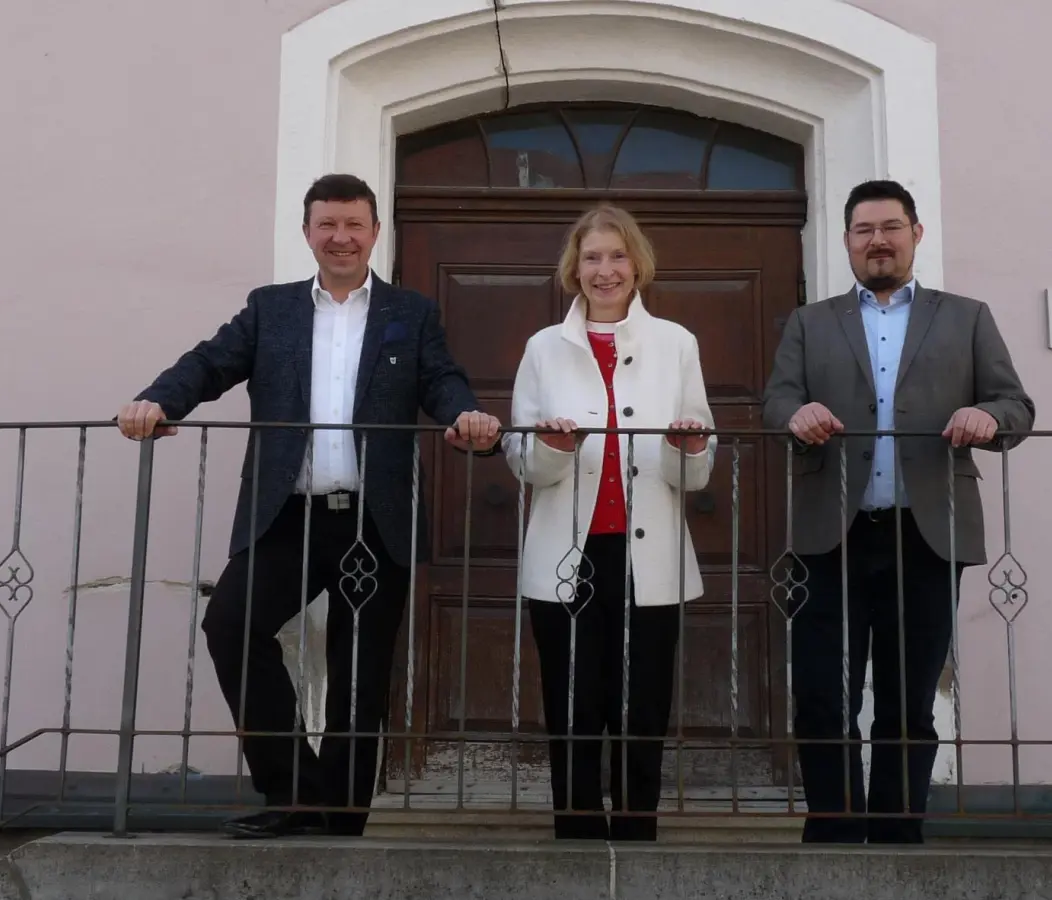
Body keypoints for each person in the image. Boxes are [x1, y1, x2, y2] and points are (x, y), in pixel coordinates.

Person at [116, 173, 501, 839]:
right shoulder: (272, 309)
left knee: (361, 673)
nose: (341, 237)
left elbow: (441, 380)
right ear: (308, 233)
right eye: (328, 225)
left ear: (375, 233)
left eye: (354, 225)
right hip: (285, 515)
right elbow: (209, 365)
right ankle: (294, 790)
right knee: (232, 627)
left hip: (371, 520)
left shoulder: (411, 314)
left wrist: (466, 416)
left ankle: (343, 816)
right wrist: (156, 401)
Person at [762, 180, 1035, 844]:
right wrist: (795, 416)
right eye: (863, 230)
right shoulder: (810, 322)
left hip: (928, 532)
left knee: (909, 700)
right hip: (833, 534)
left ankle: (895, 833)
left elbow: (1016, 408)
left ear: (915, 233)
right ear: (849, 241)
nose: (877, 240)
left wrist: (986, 415)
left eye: (890, 226)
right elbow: (775, 406)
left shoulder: (966, 317)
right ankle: (830, 828)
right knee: (825, 694)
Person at [503, 204, 715, 841]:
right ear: (574, 267)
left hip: (648, 555)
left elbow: (700, 464)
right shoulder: (543, 348)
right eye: (592, 257)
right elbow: (519, 457)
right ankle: (573, 825)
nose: (605, 270)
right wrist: (551, 447)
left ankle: (635, 825)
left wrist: (688, 447)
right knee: (573, 698)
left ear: (637, 264)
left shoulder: (677, 343)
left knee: (643, 698)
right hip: (567, 555)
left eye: (617, 257)